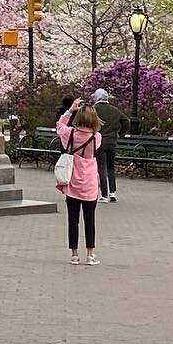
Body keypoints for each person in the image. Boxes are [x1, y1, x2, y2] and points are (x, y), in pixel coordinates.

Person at [56, 96, 102, 265]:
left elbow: (59, 126)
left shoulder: (69, 134)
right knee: (90, 219)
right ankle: (90, 254)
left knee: (73, 219)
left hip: (72, 181)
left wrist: (70, 110)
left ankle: (74, 254)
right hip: (89, 182)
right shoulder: (96, 137)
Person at [91, 88, 126, 202]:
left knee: (101, 167)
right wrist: (121, 133)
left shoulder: (94, 109)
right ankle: (113, 193)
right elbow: (126, 120)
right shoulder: (115, 110)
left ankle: (104, 194)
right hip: (112, 142)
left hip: (99, 142)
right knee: (110, 167)